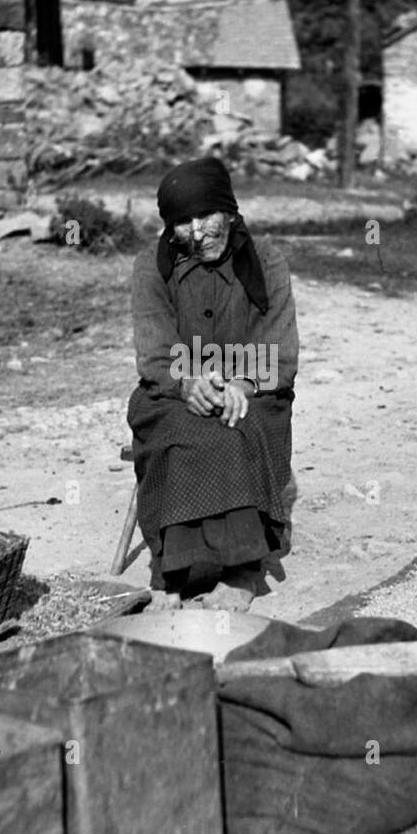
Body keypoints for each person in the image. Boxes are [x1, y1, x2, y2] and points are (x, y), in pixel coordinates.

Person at [128, 156, 299, 611]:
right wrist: (186, 383)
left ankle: (242, 572)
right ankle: (175, 572)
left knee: (236, 427)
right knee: (181, 432)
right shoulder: (151, 267)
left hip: (254, 386)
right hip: (173, 388)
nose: (198, 231)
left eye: (206, 216)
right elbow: (154, 353)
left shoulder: (268, 262)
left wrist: (243, 384)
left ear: (230, 212)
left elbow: (280, 351)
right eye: (182, 222)